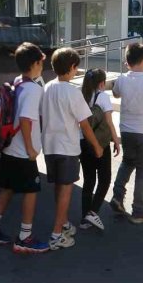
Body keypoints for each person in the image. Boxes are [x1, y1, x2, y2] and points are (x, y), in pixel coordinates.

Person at [0, 43, 50, 253]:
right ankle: (25, 237)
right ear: (36, 63)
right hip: (22, 151)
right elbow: (26, 120)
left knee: (8, 187)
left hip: (9, 147)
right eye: (41, 61)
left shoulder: (18, 82)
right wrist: (31, 150)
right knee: (31, 190)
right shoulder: (33, 89)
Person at [41, 48, 104, 250]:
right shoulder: (72, 92)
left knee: (59, 187)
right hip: (67, 147)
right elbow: (85, 125)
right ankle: (57, 234)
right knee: (66, 189)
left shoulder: (48, 86)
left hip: (49, 146)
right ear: (72, 67)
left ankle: (63, 223)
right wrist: (97, 146)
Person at [110, 43, 143, 224]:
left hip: (126, 130)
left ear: (127, 62)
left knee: (127, 163)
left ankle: (118, 196)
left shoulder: (122, 78)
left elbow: (116, 94)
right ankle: (139, 210)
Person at [78, 68, 121, 231]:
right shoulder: (102, 96)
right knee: (104, 179)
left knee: (88, 180)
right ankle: (93, 212)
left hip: (83, 142)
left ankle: (84, 218)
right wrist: (116, 141)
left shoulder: (81, 95)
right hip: (100, 142)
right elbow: (109, 123)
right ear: (102, 83)